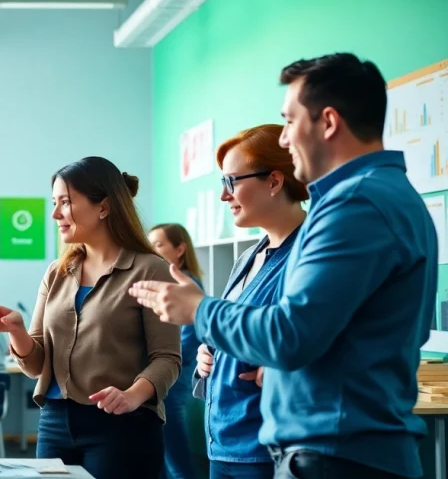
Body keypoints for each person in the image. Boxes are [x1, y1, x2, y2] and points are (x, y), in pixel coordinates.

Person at [131, 54, 437, 479]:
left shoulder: (356, 205)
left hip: (337, 453)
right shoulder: (383, 196)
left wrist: (199, 309)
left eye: (290, 121)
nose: (286, 139)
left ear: (327, 122)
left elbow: (289, 335)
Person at [0, 157, 181, 479]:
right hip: (55, 423)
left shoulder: (150, 269)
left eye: (66, 203)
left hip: (122, 426)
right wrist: (16, 332)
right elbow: (34, 365)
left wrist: (131, 395)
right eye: (54, 203)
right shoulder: (57, 272)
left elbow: (167, 358)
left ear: (104, 207)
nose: (55, 214)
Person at [197, 124, 307, 479]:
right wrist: (210, 351)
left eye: (231, 182)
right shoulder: (249, 256)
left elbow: (309, 339)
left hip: (267, 450)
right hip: (224, 442)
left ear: (274, 182)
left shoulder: (309, 256)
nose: (223, 197)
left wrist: (279, 370)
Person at [148, 223, 204, 479]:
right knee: (160, 456)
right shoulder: (162, 286)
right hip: (162, 379)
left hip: (173, 381)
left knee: (175, 455)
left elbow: (189, 340)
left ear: (179, 249)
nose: (152, 251)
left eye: (158, 245)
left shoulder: (187, 287)